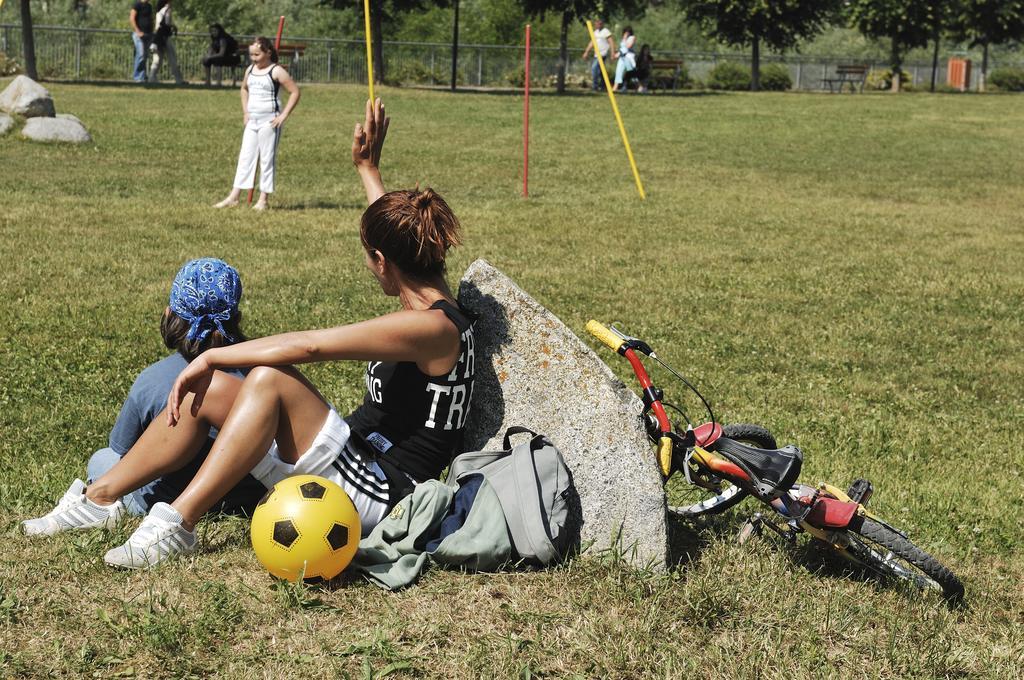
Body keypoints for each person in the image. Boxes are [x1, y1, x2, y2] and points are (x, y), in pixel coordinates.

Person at [24, 98, 478, 571]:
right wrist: (369, 170)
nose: (371, 269)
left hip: (381, 489)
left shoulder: (432, 328)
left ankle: (177, 523)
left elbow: (310, 346)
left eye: (371, 261)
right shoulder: (427, 304)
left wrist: (213, 356)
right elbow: (390, 239)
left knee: (269, 377)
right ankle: (98, 499)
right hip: (353, 462)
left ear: (384, 262)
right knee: (215, 391)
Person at [22, 258, 266, 536]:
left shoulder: (155, 379)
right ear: (235, 317)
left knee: (104, 459)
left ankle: (99, 502)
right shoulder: (263, 374)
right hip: (249, 496)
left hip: (167, 498)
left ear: (171, 313)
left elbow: (123, 450)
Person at [214, 37, 300, 211]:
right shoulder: (250, 70)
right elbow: (244, 89)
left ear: (268, 52)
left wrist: (283, 116)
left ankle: (263, 200)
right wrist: (245, 112)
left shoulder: (276, 71)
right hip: (252, 121)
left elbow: (294, 92)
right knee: (245, 157)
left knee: (267, 159)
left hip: (270, 122)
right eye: (251, 54)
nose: (253, 58)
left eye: (257, 54)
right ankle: (234, 196)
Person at [147, 0, 184, 85]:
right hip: (165, 37)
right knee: (172, 58)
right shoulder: (167, 9)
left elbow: (157, 25)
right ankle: (178, 79)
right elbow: (167, 23)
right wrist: (173, 27)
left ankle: (152, 77)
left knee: (157, 59)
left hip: (157, 37)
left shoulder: (159, 11)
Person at [582, 17, 616, 92]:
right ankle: (604, 86)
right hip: (596, 54)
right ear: (595, 24)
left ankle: (595, 87)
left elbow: (611, 42)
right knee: (601, 71)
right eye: (597, 23)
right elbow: (592, 43)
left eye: (600, 23)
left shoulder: (605, 31)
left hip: (603, 54)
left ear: (602, 24)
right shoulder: (595, 32)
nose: (599, 24)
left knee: (594, 68)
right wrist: (586, 52)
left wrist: (612, 53)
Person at [129, 0, 154, 83]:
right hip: (138, 35)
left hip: (148, 34)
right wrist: (137, 31)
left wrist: (152, 32)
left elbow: (151, 18)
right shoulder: (137, 4)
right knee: (141, 55)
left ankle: (142, 77)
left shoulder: (149, 6)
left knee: (144, 56)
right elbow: (132, 18)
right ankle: (138, 77)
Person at [613, 26, 637, 92]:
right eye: (626, 32)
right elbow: (622, 47)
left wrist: (618, 54)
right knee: (618, 71)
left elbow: (628, 46)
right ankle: (615, 87)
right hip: (622, 57)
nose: (627, 33)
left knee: (631, 72)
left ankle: (638, 86)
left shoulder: (632, 38)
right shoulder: (623, 39)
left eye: (628, 32)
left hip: (629, 57)